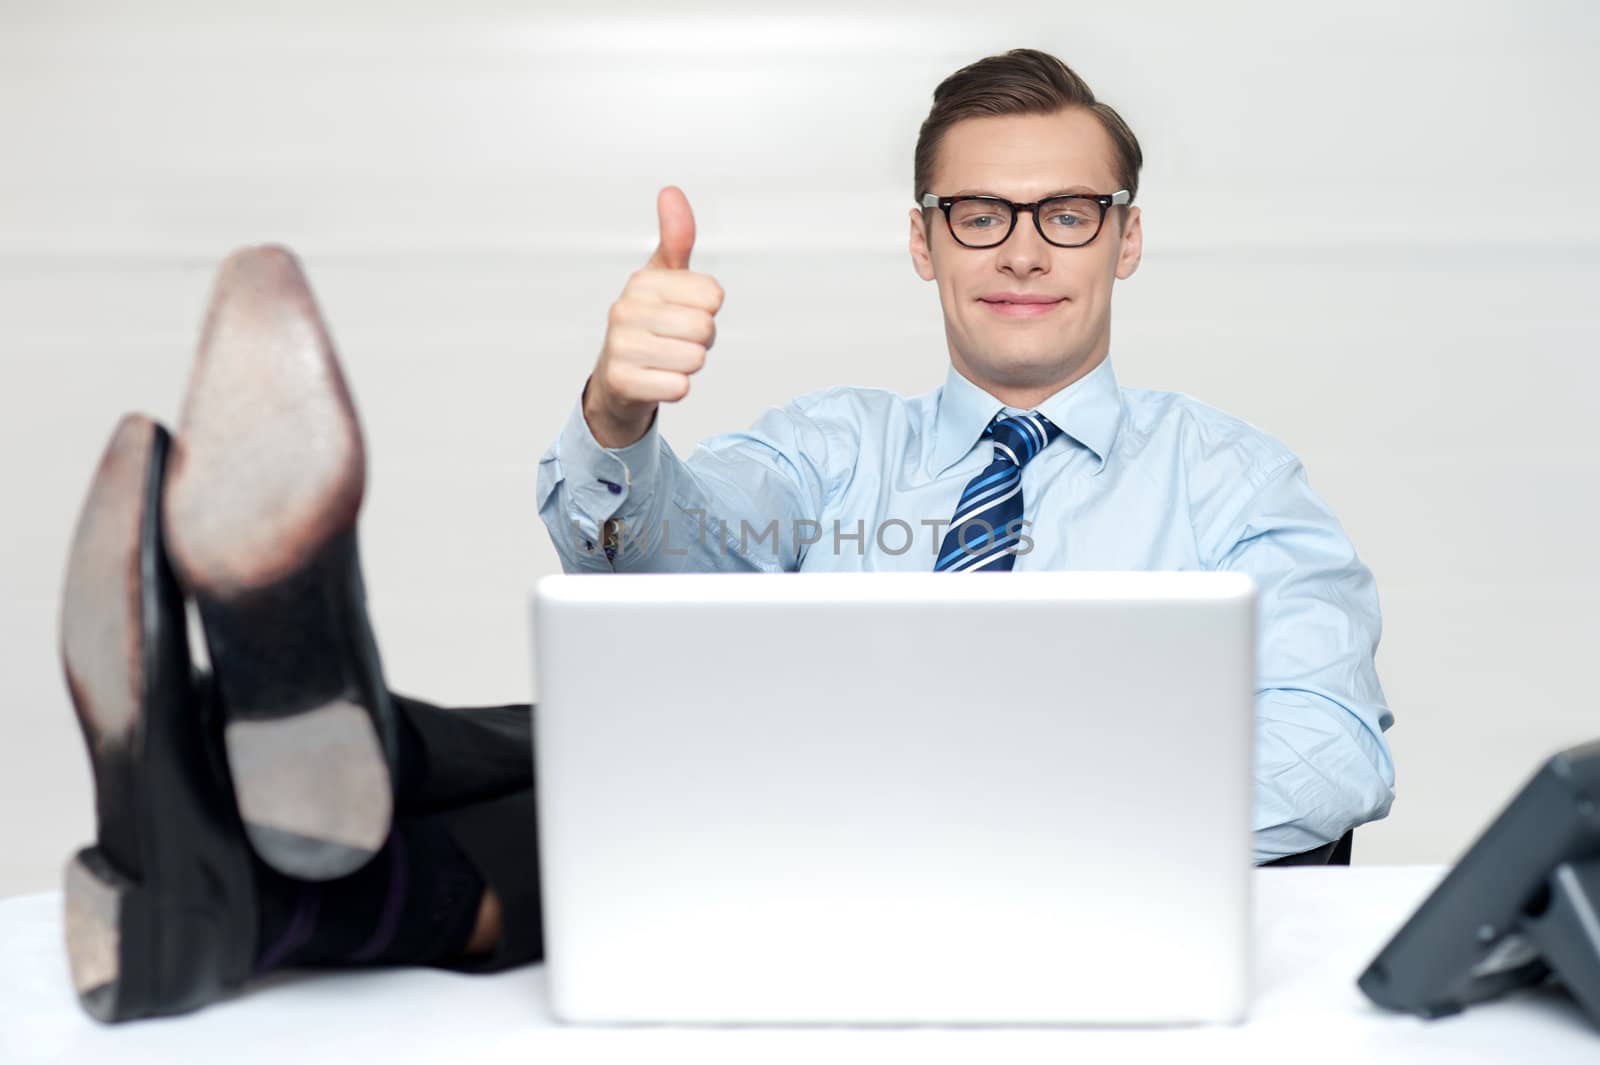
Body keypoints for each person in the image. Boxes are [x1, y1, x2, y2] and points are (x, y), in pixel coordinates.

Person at [56, 47, 1392, 1025]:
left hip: (1043, 896)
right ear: (925, 244)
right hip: (767, 859)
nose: (1024, 249)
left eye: (1069, 213)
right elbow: (668, 572)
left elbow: (1331, 752)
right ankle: (235, 890)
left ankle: (239, 721)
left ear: (1127, 240)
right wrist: (622, 417)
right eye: (979, 214)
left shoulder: (1235, 482)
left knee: (661, 770)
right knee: (633, 740)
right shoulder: (830, 447)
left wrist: (978, 800)